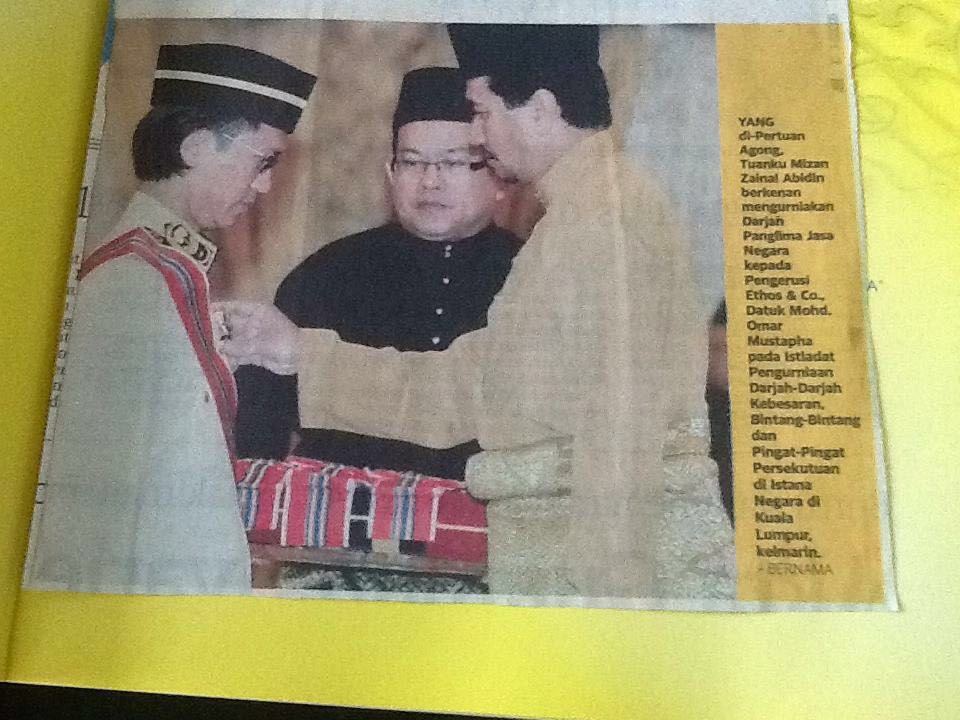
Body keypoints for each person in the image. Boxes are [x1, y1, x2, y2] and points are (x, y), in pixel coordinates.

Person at [219, 25, 734, 599]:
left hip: (606, 578)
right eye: (414, 162)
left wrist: (604, 604)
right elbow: (481, 387)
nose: (481, 136)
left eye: (483, 113)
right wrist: (298, 353)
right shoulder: (583, 214)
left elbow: (621, 435)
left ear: (540, 109)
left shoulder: (603, 221)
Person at [25, 43, 316, 595]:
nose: (264, 186)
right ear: (196, 147)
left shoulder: (171, 274)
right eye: (264, 161)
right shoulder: (132, 283)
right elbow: (94, 512)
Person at [235, 67, 520, 486]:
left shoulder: (529, 274)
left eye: (454, 162)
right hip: (341, 520)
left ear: (500, 179)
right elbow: (257, 435)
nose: (430, 181)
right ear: (390, 174)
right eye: (412, 162)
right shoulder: (326, 275)